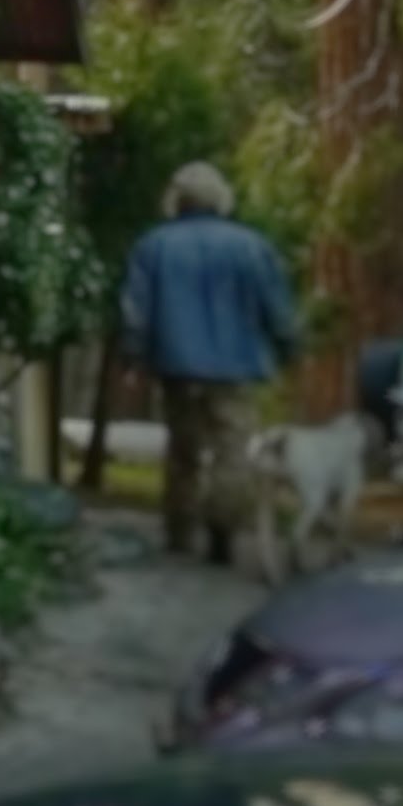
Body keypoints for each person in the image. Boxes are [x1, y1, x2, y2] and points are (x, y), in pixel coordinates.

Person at [120, 162, 300, 563]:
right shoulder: (251, 246)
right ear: (221, 200)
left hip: (177, 366)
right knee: (232, 450)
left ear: (176, 200)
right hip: (236, 368)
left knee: (183, 450)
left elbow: (136, 311)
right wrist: (288, 347)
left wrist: (132, 358)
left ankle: (180, 533)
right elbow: (277, 307)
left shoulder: (153, 246)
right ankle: (223, 527)